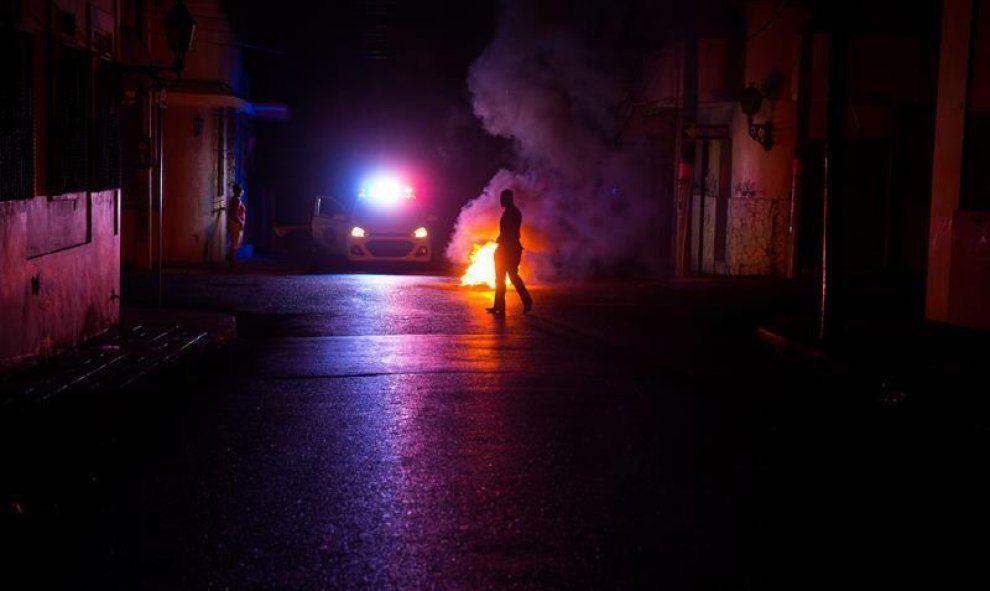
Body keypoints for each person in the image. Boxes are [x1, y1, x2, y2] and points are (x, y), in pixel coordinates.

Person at [487, 188, 533, 315]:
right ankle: (499, 306)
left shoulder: (512, 213)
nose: (500, 200)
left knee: (510, 276)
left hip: (508, 249)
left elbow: (511, 232)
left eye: (503, 198)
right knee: (502, 278)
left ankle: (526, 301)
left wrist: (502, 240)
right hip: (506, 249)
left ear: (508, 199)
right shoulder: (511, 212)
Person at [227, 183, 247, 265]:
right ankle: (232, 261)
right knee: (235, 242)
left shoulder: (235, 199)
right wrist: (241, 222)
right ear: (240, 191)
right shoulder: (237, 200)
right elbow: (234, 214)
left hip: (235, 223)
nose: (243, 191)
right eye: (242, 190)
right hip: (235, 224)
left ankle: (231, 259)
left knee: (236, 242)